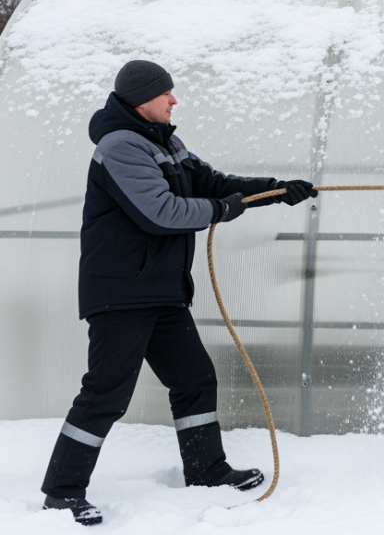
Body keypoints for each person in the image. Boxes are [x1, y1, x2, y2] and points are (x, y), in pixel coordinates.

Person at [41, 60, 318, 525]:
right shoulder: (119, 147)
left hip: (162, 292)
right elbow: (160, 212)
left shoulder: (166, 143)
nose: (174, 100)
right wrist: (222, 210)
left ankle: (206, 470)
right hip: (122, 294)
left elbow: (213, 183)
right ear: (140, 100)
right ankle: (63, 491)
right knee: (106, 393)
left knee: (194, 380)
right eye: (165, 93)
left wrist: (273, 190)